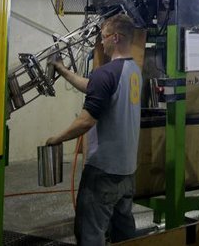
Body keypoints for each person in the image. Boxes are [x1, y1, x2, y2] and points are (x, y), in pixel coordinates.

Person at [45, 13, 142, 245]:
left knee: (90, 233)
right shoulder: (133, 71)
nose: (101, 42)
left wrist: (56, 139)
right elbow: (94, 87)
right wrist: (63, 70)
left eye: (104, 36)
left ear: (116, 38)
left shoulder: (106, 74)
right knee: (124, 233)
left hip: (103, 171)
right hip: (127, 171)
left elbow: (86, 121)